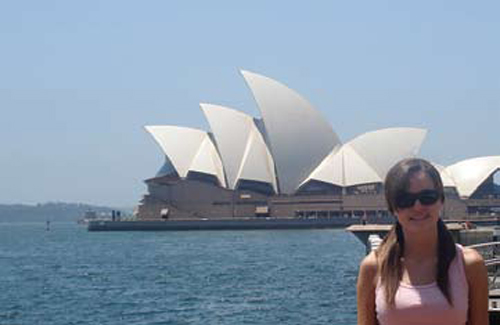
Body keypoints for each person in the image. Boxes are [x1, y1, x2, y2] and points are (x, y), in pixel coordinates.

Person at [357, 158, 489, 325]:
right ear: (393, 208)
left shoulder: (469, 265)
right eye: (405, 200)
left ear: (441, 200)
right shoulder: (373, 267)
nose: (418, 206)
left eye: (427, 197)